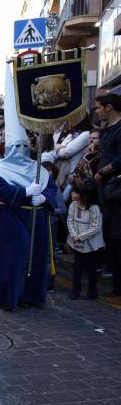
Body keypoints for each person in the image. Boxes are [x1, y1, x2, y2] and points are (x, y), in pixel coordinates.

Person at [0, 68, 57, 311]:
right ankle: (9, 297)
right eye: (14, 146)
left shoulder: (38, 169)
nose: (19, 151)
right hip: (10, 218)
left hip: (36, 217)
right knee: (12, 259)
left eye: (22, 146)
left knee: (35, 259)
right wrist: (26, 193)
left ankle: (31, 295)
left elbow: (52, 191)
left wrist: (43, 197)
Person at [93, 94, 121, 296]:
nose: (97, 110)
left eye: (99, 107)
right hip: (106, 189)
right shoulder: (106, 130)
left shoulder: (119, 130)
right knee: (110, 237)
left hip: (115, 189)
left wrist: (103, 171)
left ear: (109, 108)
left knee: (116, 236)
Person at [66, 184, 104, 300]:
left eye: (75, 192)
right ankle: (75, 290)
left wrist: (80, 237)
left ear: (85, 196)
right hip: (77, 241)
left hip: (90, 243)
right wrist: (74, 236)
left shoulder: (94, 208)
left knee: (90, 268)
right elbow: (70, 221)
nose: (72, 194)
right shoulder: (73, 204)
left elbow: (95, 227)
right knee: (77, 267)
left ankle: (92, 292)